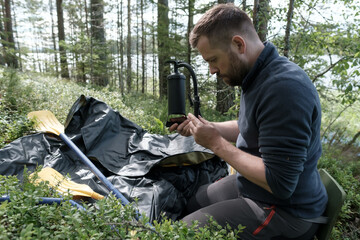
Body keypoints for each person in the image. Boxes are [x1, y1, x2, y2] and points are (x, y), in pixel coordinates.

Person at [169, 3, 328, 240]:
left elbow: (281, 184)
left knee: (180, 234)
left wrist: (216, 144)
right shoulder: (256, 74)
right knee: (194, 200)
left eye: (213, 59)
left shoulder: (284, 89)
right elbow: (253, 127)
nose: (212, 70)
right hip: (258, 190)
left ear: (238, 44)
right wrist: (211, 129)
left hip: (287, 211)